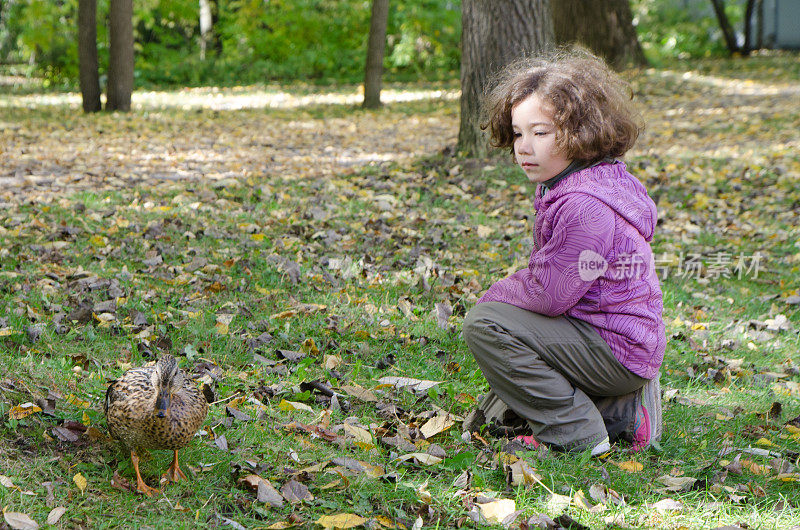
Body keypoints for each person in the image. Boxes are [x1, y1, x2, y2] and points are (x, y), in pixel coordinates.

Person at [462, 49, 665, 456]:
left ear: (579, 131)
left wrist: (497, 294)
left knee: (486, 324)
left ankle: (577, 434)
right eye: (518, 133)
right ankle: (623, 414)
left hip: (613, 346)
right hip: (617, 338)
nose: (524, 146)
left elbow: (551, 294)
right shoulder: (584, 182)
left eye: (540, 133)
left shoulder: (584, 204)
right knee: (507, 381)